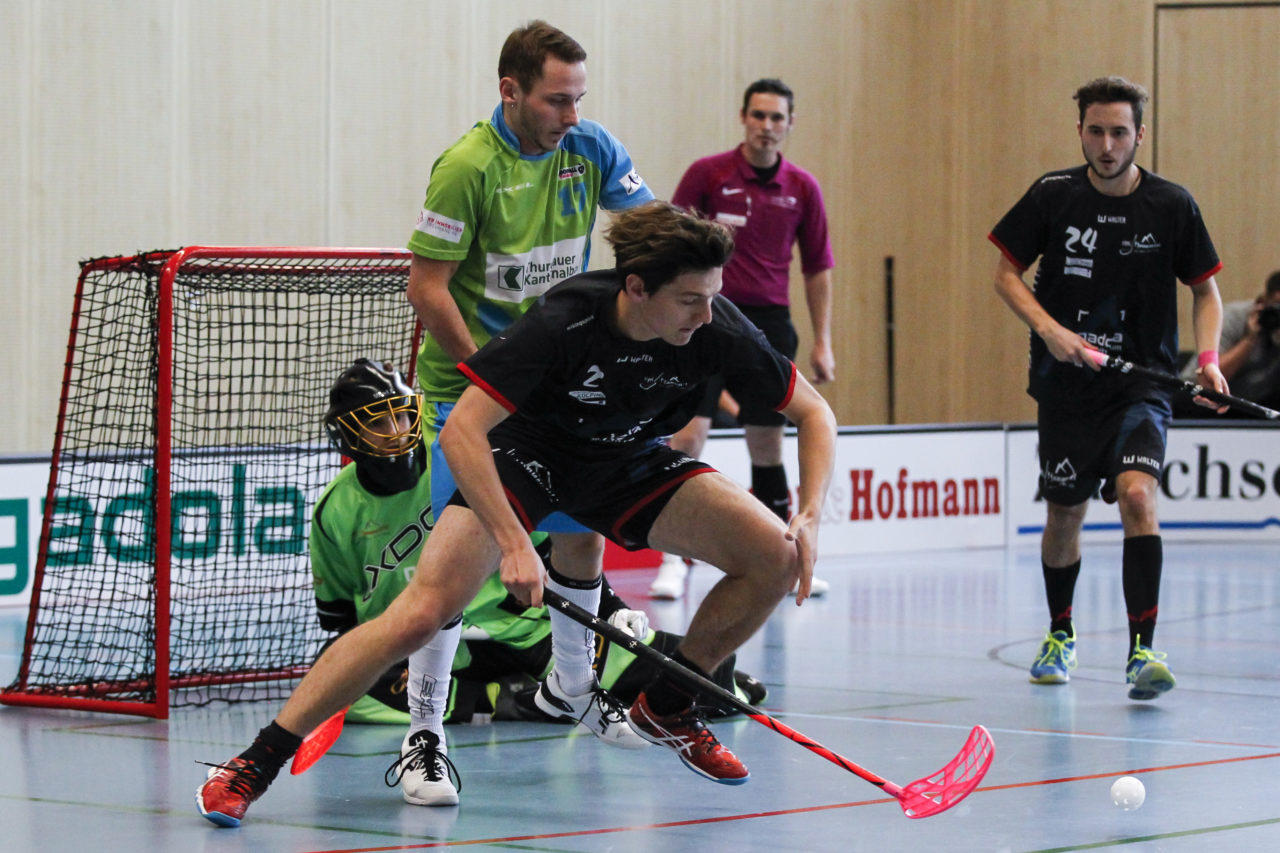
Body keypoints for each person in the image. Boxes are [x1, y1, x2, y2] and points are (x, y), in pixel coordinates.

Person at [195, 200, 836, 827]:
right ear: (636, 288)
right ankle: (254, 764)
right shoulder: (565, 321)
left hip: (624, 461)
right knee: (421, 614)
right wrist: (514, 543)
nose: (707, 313)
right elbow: (461, 432)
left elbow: (815, 413)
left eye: (712, 296)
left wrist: (807, 512)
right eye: (691, 299)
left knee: (775, 556)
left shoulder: (714, 325)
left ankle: (668, 705)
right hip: (527, 456)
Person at [402, 19, 657, 765]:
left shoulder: (590, 148)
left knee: (581, 529)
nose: (572, 117)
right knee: (453, 568)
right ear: (510, 92)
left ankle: (573, 689)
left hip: (559, 386)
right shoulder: (467, 167)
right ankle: (425, 731)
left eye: (579, 99)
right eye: (556, 101)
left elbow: (649, 236)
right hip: (467, 389)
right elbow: (427, 288)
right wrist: (493, 375)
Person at [309, 360, 767, 737]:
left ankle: (535, 692)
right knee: (333, 674)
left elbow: (561, 549)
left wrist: (612, 607)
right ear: (348, 434)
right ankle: (494, 702)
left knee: (703, 676)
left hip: (526, 630)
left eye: (403, 413)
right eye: (377, 422)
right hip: (423, 645)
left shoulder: (456, 459)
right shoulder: (334, 511)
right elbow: (343, 624)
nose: (396, 428)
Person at [989, 76, 1229, 701]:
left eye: (1119, 131)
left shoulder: (1172, 205)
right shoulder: (1052, 195)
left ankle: (1142, 650)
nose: (1106, 143)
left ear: (1139, 135)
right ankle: (1061, 633)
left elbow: (1205, 290)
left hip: (1142, 386)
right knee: (1064, 513)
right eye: (1095, 130)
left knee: (1138, 498)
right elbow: (1006, 275)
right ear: (1081, 132)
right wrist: (1051, 331)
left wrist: (1207, 357)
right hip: (1065, 388)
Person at [650, 78, 835, 601]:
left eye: (778, 118)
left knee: (767, 445)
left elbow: (818, 268)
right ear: (743, 117)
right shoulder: (708, 175)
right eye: (759, 116)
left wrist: (823, 341)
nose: (767, 126)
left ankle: (787, 556)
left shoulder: (803, 188)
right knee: (688, 437)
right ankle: (673, 562)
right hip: (706, 319)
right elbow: (671, 242)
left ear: (790, 125)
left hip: (771, 325)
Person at [1178, 270, 1280, 413]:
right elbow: (1206, 381)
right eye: (1277, 307)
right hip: (1203, 402)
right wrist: (1249, 340)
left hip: (1256, 406)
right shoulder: (1235, 317)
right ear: (1262, 301)